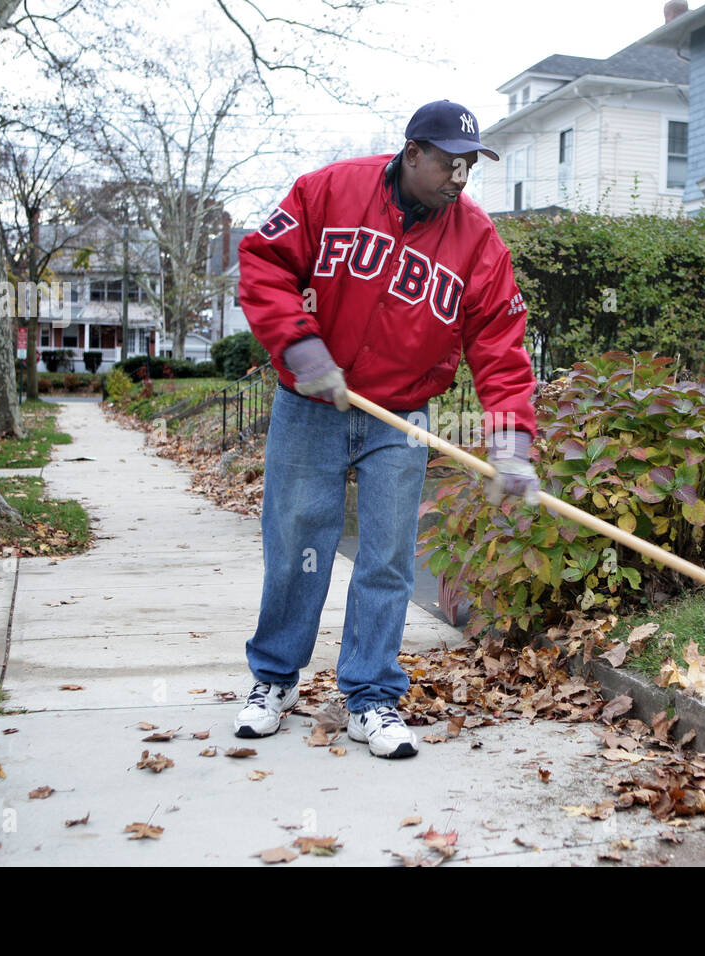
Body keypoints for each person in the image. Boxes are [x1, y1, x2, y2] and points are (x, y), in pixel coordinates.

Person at [232, 100, 539, 758]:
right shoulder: (331, 191)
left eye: (470, 167)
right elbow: (263, 263)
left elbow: (500, 345)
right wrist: (300, 347)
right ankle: (274, 681)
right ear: (413, 153)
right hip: (310, 402)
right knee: (296, 545)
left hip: (400, 415)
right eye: (449, 164)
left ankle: (370, 697)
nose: (460, 179)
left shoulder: (477, 240)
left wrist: (511, 442)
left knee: (388, 558)